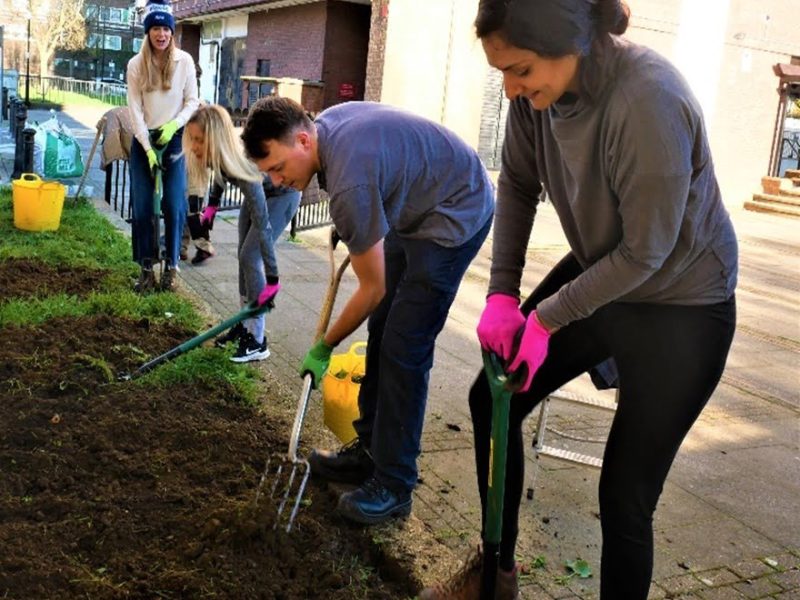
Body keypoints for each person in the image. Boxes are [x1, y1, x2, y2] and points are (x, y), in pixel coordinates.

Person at [419, 1, 739, 599]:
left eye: (519, 69)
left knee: (624, 497)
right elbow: (516, 182)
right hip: (609, 269)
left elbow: (648, 252)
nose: (511, 89)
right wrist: (501, 297)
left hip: (684, 306)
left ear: (569, 43)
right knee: (494, 398)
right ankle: (496, 575)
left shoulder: (648, 100)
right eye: (501, 74)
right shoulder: (533, 102)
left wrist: (544, 320)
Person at [241, 96, 495, 525]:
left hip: (456, 210)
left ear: (303, 139)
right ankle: (372, 451)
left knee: (404, 345)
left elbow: (372, 289)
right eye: (270, 175)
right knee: (382, 329)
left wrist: (325, 345)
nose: (279, 182)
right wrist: (362, 223)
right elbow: (384, 167)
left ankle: (396, 484)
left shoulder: (349, 185)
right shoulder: (328, 128)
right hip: (420, 202)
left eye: (279, 168)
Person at [183, 103, 300, 362]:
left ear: (215, 139)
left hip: (283, 195)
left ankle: (258, 340)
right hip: (260, 192)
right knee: (241, 256)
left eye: (199, 140)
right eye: (192, 139)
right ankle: (245, 324)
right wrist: (212, 207)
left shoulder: (247, 171)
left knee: (250, 256)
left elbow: (264, 229)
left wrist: (272, 278)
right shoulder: (224, 156)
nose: (193, 146)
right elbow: (220, 176)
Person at [127, 0, 199, 292]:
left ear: (172, 31)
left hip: (173, 142)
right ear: (148, 31)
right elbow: (134, 110)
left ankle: (171, 266)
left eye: (165, 28)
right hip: (144, 141)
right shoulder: (135, 64)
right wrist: (146, 147)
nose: (161, 34)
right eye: (155, 28)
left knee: (173, 204)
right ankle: (146, 269)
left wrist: (174, 125)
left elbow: (192, 100)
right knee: (143, 207)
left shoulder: (184, 62)